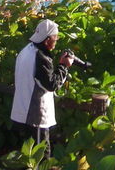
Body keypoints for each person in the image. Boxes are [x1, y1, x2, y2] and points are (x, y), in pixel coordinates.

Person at [10, 19, 72, 156]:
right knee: (41, 154)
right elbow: (52, 85)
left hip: (22, 109)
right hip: (35, 114)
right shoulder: (41, 57)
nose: (56, 41)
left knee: (28, 153)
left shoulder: (26, 50)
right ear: (47, 39)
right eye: (56, 38)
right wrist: (63, 66)